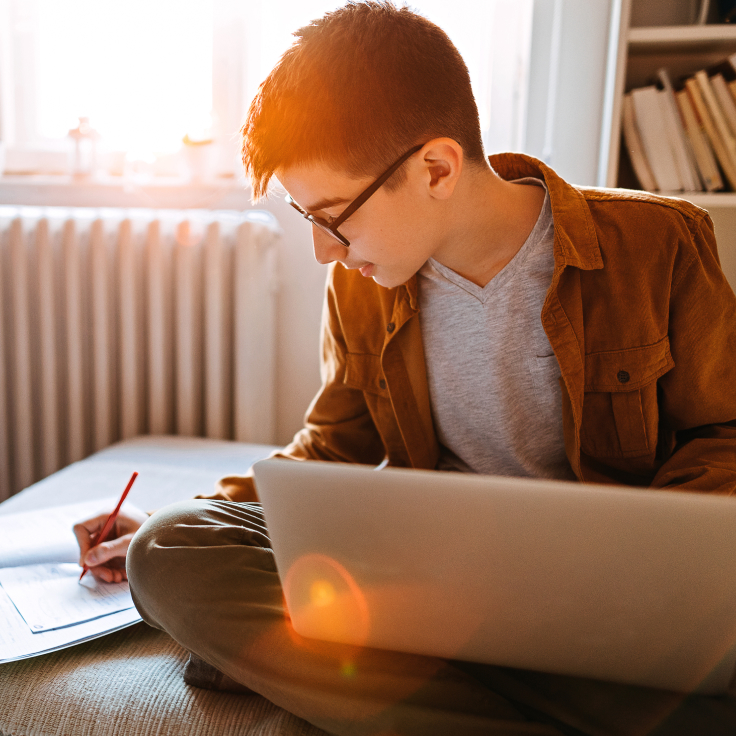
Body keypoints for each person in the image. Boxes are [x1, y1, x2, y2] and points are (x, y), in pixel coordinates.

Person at [74, 2, 736, 733]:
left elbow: (725, 436)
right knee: (171, 547)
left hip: (605, 589)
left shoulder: (660, 243)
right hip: (432, 586)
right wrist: (209, 506)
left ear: (437, 168)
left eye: (333, 216)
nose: (325, 251)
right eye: (309, 221)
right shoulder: (363, 283)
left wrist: (629, 558)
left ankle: (370, 682)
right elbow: (331, 451)